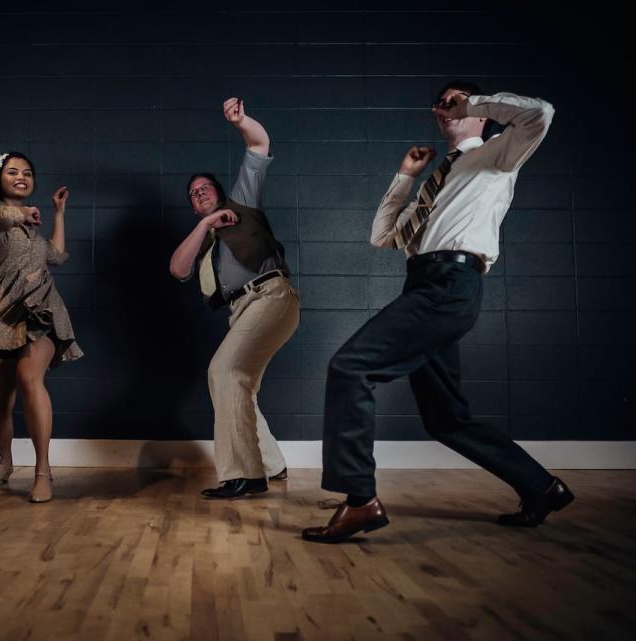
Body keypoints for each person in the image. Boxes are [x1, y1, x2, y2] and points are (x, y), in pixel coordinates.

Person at [303, 82, 572, 543]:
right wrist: (406, 177)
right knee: (446, 419)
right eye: (441, 103)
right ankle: (542, 487)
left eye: (456, 101)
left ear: (479, 113)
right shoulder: (436, 179)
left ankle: (360, 500)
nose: (445, 108)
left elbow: (541, 113)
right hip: (424, 283)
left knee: (350, 367)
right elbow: (383, 237)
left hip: (451, 287)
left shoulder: (498, 154)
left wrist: (473, 103)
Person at [170, 98, 299, 500]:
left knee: (223, 373)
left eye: (206, 188)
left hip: (270, 295)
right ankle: (272, 464)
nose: (200, 194)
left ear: (221, 192)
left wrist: (242, 121)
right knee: (238, 387)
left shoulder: (243, 204)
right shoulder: (205, 238)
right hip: (242, 310)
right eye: (193, 194)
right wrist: (206, 224)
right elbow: (177, 268)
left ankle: (245, 475)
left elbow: (259, 146)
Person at [0, 152, 82, 503]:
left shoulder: (32, 225)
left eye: (27, 172)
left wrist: (58, 212)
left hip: (42, 308)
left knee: (30, 378)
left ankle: (43, 471)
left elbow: (56, 255)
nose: (22, 177)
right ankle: (5, 462)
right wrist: (22, 213)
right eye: (13, 172)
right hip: (0, 312)